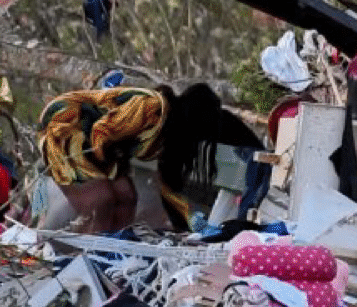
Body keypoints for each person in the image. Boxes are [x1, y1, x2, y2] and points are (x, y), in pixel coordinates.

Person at [38, 83, 263, 233]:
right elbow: (102, 131)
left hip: (107, 147)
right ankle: (89, 252)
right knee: (101, 201)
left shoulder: (169, 135)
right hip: (67, 127)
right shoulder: (152, 108)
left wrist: (191, 223)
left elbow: (166, 187)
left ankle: (114, 245)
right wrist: (102, 174)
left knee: (127, 197)